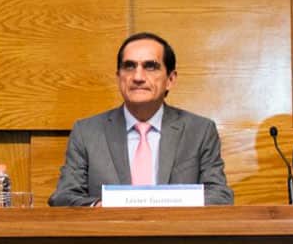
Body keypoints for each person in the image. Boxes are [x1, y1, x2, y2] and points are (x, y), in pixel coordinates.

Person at [49, 32, 233, 206]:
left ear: (170, 79)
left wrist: (172, 210)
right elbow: (64, 196)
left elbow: (219, 195)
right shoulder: (87, 132)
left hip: (175, 237)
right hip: (112, 236)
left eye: (150, 66)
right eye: (129, 66)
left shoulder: (199, 131)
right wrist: (99, 207)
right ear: (118, 78)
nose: (138, 77)